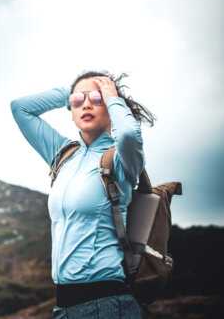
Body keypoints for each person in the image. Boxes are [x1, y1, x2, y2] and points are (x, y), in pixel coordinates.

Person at [11, 71, 155, 319]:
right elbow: (20, 108)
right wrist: (68, 93)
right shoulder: (63, 154)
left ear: (110, 105)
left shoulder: (121, 159)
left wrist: (113, 97)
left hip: (107, 304)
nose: (87, 104)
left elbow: (130, 134)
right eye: (79, 100)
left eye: (96, 98)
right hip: (65, 306)